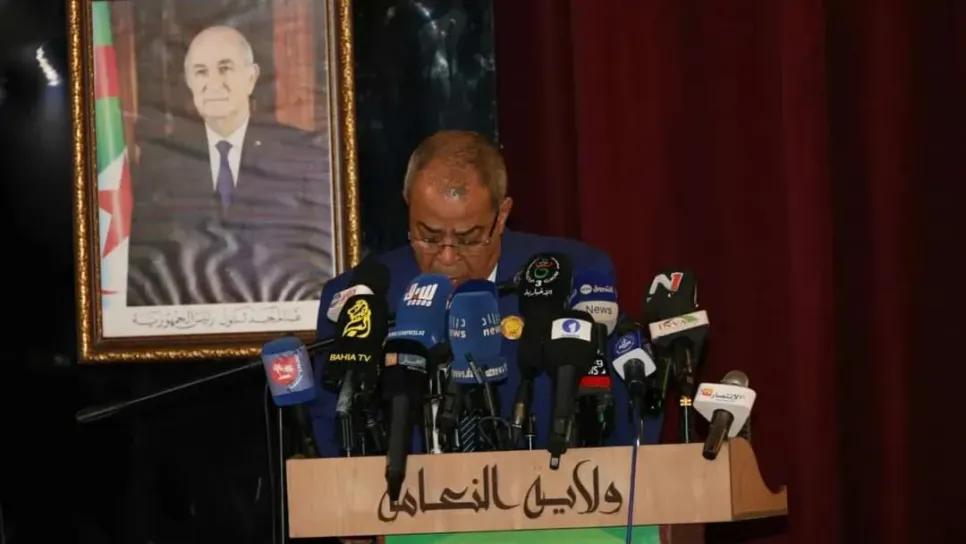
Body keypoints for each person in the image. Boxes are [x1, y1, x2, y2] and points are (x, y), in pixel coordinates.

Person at [308, 130, 662, 543]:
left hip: (558, 519)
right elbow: (332, 415)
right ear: (407, 206)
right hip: (412, 523)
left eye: (468, 238)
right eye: (427, 234)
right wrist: (356, 506)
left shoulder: (569, 276)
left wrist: (619, 503)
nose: (446, 256)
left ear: (502, 214)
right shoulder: (362, 298)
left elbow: (631, 398)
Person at [126, 25, 332, 306]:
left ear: (251, 78)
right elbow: (150, 265)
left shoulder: (299, 154)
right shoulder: (161, 160)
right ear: (189, 81)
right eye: (201, 72)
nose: (213, 83)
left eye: (225, 69)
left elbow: (317, 259)